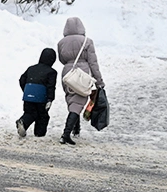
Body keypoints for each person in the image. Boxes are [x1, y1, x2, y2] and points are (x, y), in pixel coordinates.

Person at [56, 17, 104, 145]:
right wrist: (99, 81)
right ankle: (66, 134)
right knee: (78, 102)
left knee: (72, 100)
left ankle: (76, 129)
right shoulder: (87, 41)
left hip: (67, 73)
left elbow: (61, 59)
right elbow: (93, 63)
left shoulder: (61, 43)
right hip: (82, 73)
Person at [16, 48, 58, 138]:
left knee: (29, 113)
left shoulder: (31, 68)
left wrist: (27, 90)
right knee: (42, 116)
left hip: (28, 95)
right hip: (41, 97)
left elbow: (22, 79)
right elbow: (51, 86)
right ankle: (39, 135)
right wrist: (50, 99)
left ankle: (23, 122)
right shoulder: (51, 72)